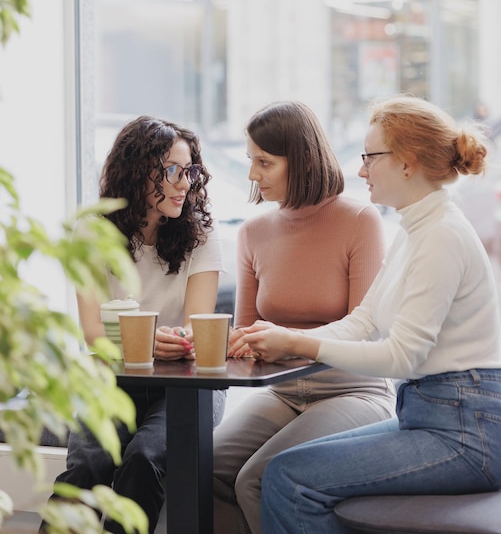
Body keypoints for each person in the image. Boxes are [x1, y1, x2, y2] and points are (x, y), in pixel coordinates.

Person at [240, 95, 501, 534]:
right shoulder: (414, 230)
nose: (360, 170)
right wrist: (281, 334)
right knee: (280, 470)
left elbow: (402, 357)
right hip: (432, 415)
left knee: (288, 478)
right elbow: (362, 322)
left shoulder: (441, 236)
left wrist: (297, 342)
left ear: (406, 163)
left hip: (465, 431)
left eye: (369, 158)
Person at [213, 101, 396, 533]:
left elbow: (363, 332)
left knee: (256, 480)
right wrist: (223, 341)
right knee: (203, 465)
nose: (253, 175)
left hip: (353, 392)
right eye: (250, 161)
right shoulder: (252, 232)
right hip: (281, 393)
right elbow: (247, 334)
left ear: (302, 160)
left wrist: (283, 338)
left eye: (265, 162)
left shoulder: (360, 220)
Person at [41, 116, 226, 534]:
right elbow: (93, 333)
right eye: (173, 171)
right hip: (111, 375)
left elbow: (196, 331)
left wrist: (156, 341)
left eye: (190, 171)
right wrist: (141, 343)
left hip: (185, 383)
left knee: (144, 456)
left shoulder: (201, 236)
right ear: (138, 171)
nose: (185, 184)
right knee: (90, 461)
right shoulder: (90, 232)